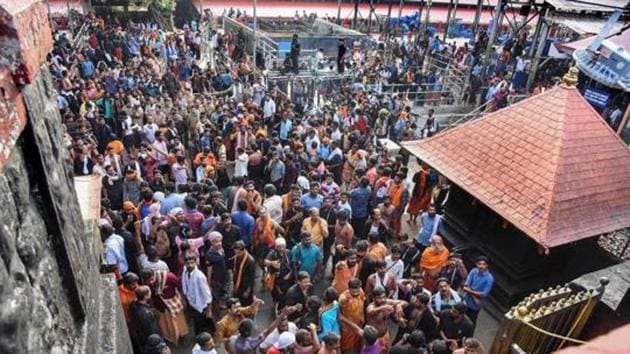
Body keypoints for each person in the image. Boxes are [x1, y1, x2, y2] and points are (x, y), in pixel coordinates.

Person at [181, 254, 214, 334]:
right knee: (197, 321)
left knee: (204, 322)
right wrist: (185, 299)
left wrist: (209, 310)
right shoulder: (185, 272)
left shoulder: (199, 276)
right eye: (188, 263)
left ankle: (209, 335)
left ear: (196, 263)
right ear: (185, 263)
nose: (190, 265)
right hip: (192, 303)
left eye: (192, 263)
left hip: (201, 304)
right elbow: (185, 286)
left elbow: (207, 294)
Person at [129, 285, 161, 353]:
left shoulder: (133, 304)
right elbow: (151, 329)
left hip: (140, 335)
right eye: (149, 292)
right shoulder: (146, 314)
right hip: (148, 337)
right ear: (145, 296)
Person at [463, 256, 494, 325]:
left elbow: (484, 294)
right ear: (476, 264)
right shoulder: (473, 271)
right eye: (479, 264)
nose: (481, 266)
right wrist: (474, 294)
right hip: (466, 300)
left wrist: (470, 291)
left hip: (475, 305)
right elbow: (466, 285)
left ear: (487, 265)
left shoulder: (489, 279)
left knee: (471, 322)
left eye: (483, 264)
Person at [264, 237, 295, 307]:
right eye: (279, 247)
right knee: (276, 293)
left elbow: (293, 265)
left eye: (282, 246)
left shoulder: (288, 253)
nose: (281, 248)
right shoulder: (272, 253)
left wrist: (289, 274)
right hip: (276, 278)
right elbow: (265, 262)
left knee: (286, 293)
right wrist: (272, 263)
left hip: (286, 278)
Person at [339, 278, 366, 353]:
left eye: (357, 289)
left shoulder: (360, 291)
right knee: (347, 348)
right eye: (353, 290)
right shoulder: (344, 298)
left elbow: (363, 303)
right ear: (349, 289)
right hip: (348, 328)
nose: (356, 292)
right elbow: (340, 315)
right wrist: (347, 299)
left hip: (359, 324)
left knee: (357, 345)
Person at [232, 240, 257, 306]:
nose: (237, 253)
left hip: (246, 286)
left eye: (239, 252)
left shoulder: (250, 261)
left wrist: (248, 291)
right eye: (236, 252)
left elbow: (252, 278)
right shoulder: (236, 257)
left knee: (247, 304)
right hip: (238, 284)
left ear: (243, 250)